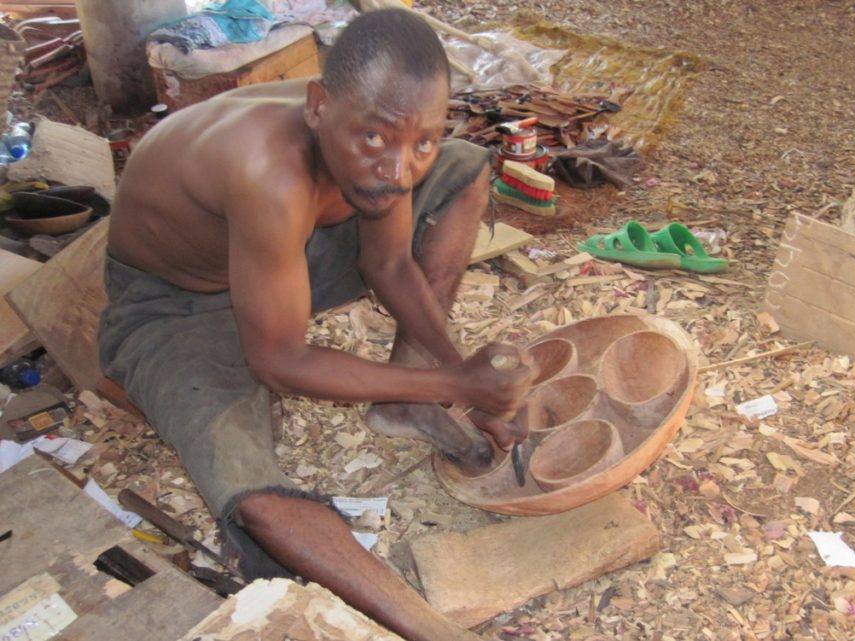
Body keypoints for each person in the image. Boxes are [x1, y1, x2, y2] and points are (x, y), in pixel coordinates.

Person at [98, 8, 535, 640]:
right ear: (317, 107)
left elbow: (386, 261)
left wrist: (458, 376)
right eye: (376, 140)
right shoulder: (267, 168)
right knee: (246, 487)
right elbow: (278, 361)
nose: (399, 169)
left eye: (423, 140)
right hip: (176, 301)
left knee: (465, 167)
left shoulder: (384, 142)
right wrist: (462, 388)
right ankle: (436, 631)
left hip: (284, 252)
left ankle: (401, 398)